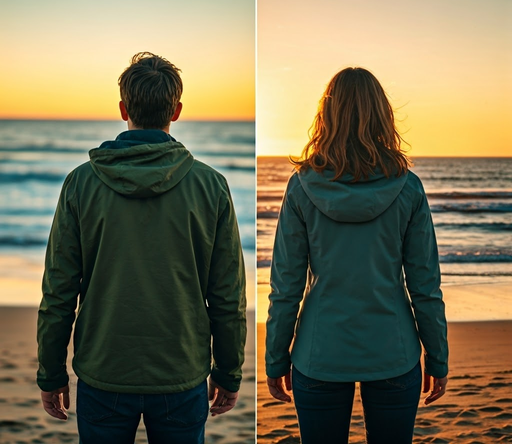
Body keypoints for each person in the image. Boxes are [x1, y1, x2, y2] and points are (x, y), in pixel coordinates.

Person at [37, 52, 247, 444]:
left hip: (105, 368)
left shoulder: (81, 184)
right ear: (177, 111)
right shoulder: (210, 186)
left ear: (122, 109)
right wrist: (229, 370)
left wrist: (51, 371)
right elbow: (227, 295)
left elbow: (58, 290)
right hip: (180, 372)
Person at [265, 67, 448, 444]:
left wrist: (275, 358)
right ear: (382, 115)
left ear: (326, 116)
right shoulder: (408, 187)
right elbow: (425, 286)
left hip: (319, 354)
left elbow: (286, 287)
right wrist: (438, 356)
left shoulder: (301, 187)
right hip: (393, 352)